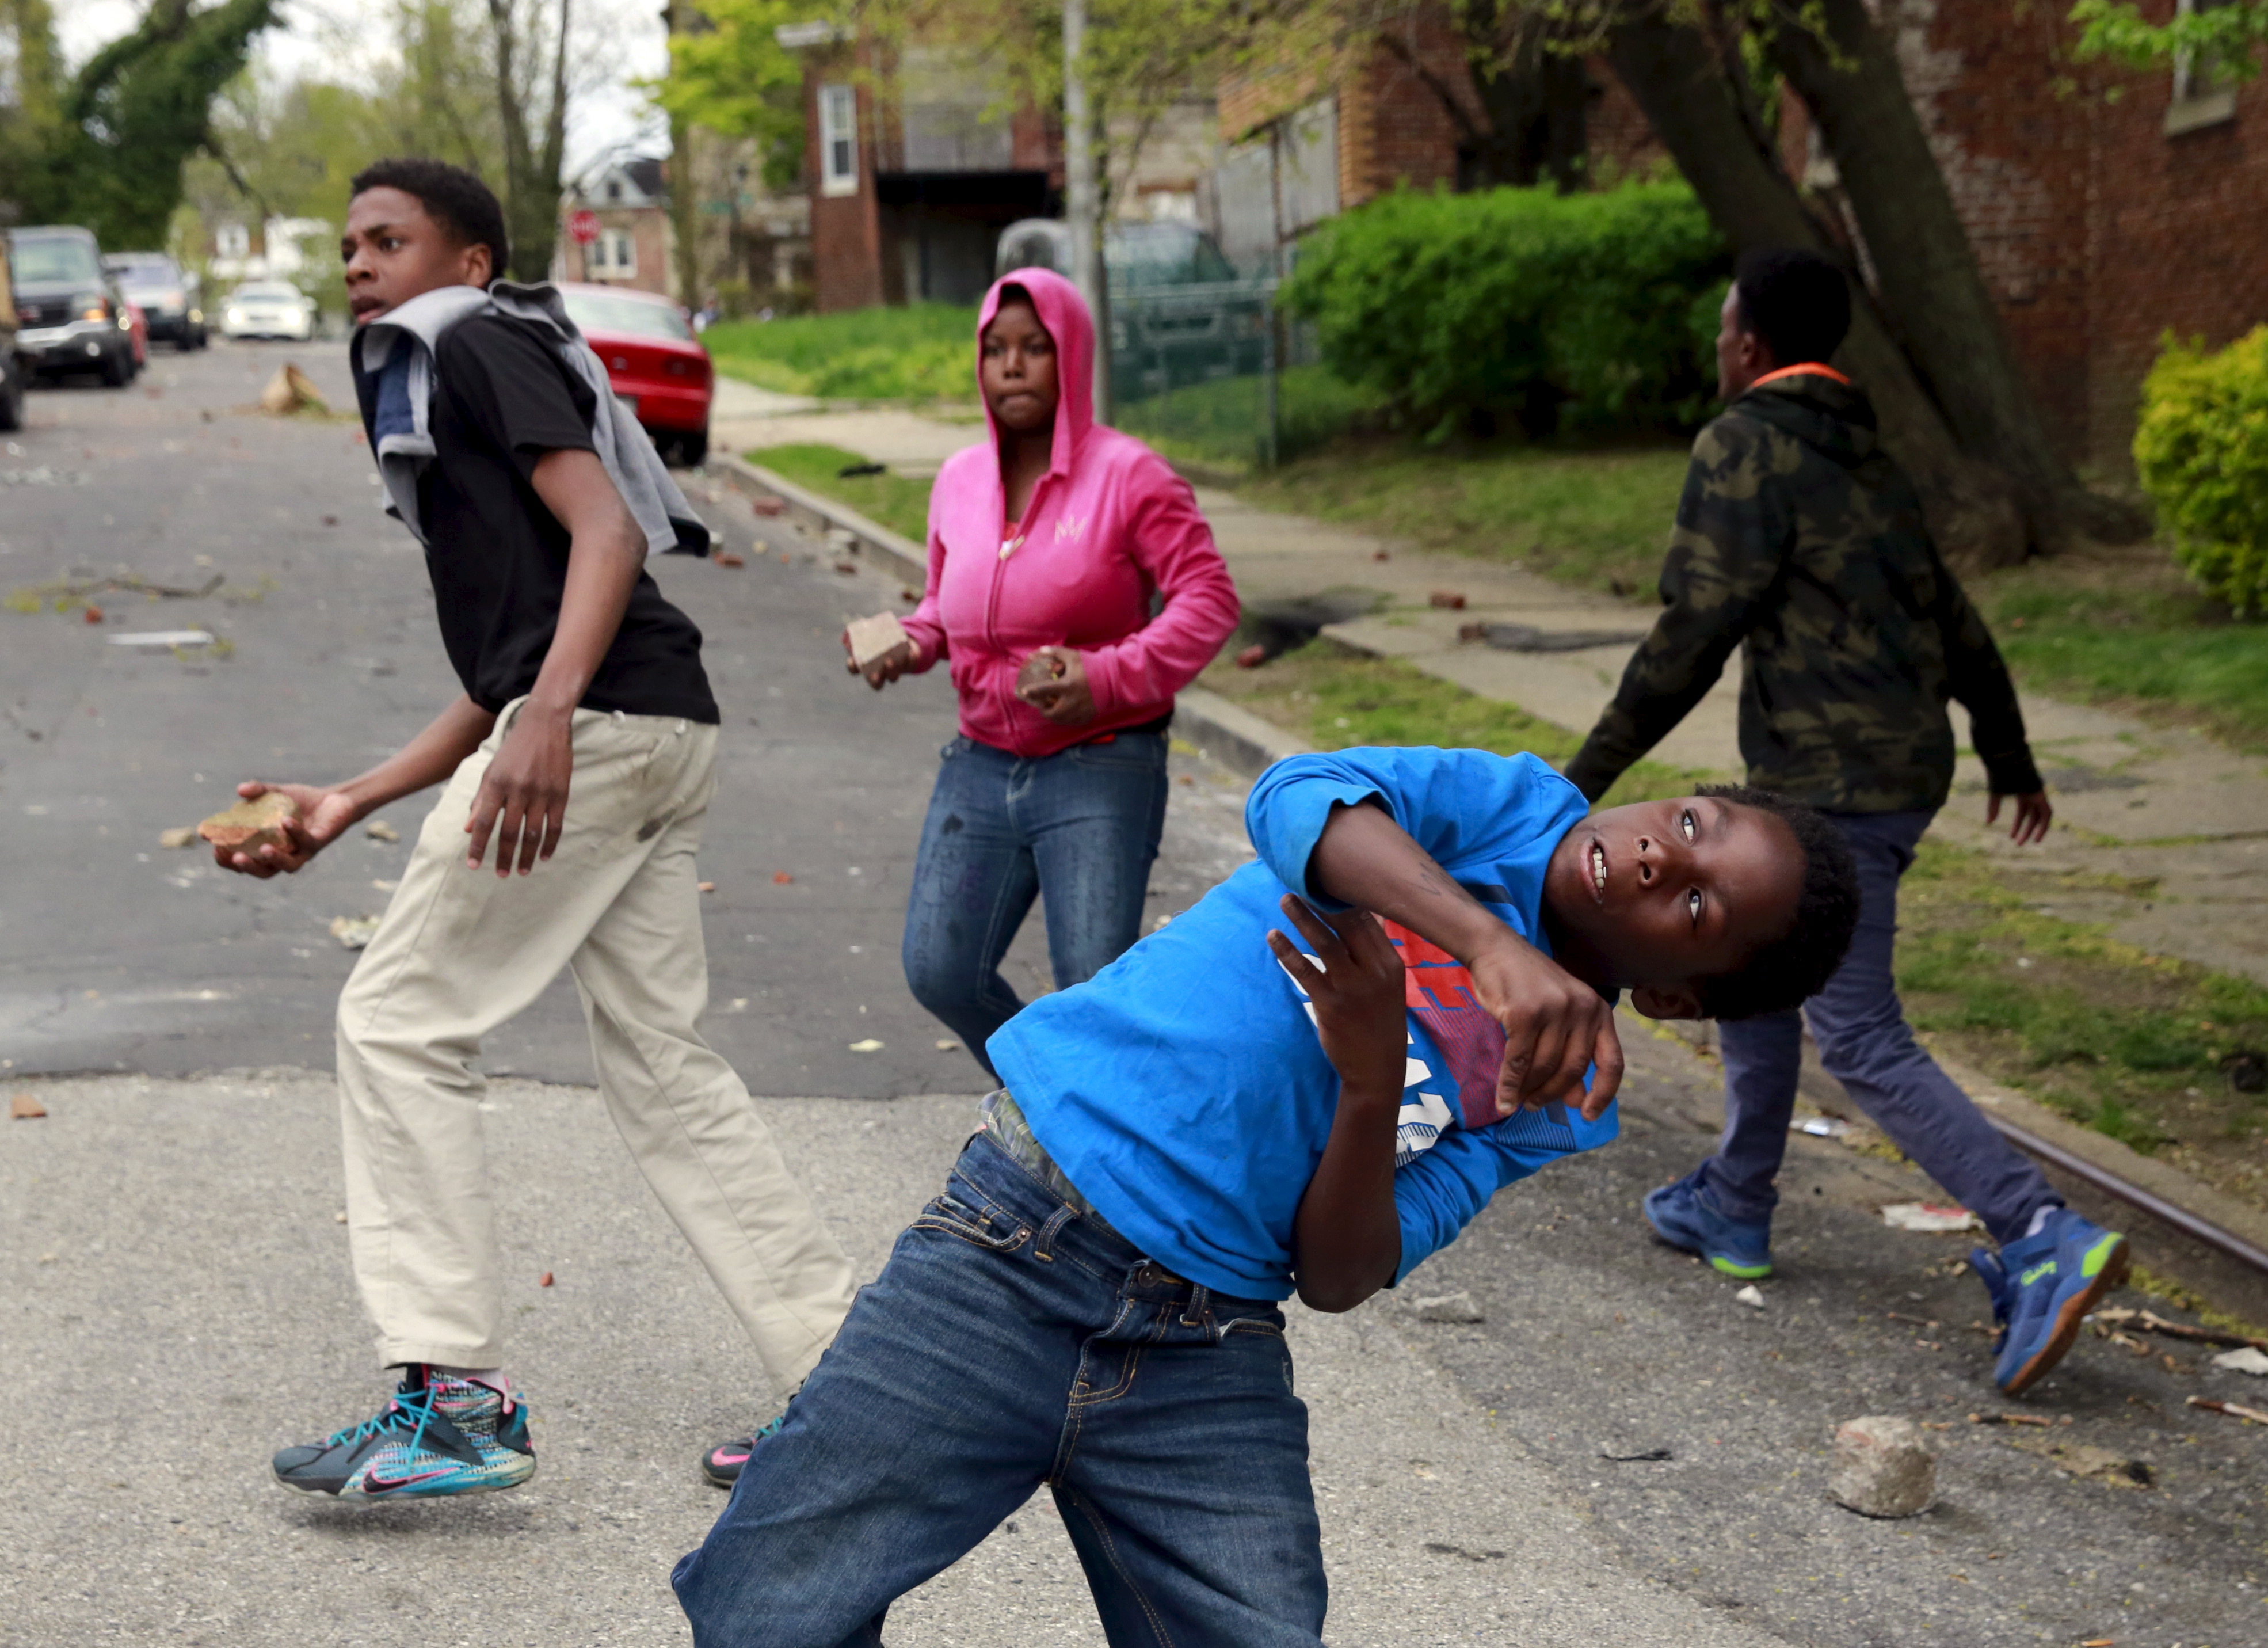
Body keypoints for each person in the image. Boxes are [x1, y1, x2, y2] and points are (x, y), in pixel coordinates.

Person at [672, 745, 1861, 1646]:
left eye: (1698, 906)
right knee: (765, 1603)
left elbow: (1343, 1275)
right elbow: (1299, 798)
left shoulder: (1564, 1095)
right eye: (1692, 821)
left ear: (1681, 1001)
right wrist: (1488, 946)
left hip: (1202, 1341)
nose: (1667, 854)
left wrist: (1371, 1079)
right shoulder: (1509, 808)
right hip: (1014, 1239)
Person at [214, 158, 858, 1499]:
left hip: (606, 726)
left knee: (398, 1019)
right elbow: (509, 659)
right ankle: (861, 1387)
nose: (357, 265)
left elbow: (608, 534)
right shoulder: (481, 360)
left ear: (466, 262)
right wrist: (353, 798)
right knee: (665, 1075)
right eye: (346, 246)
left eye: (389, 241)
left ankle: (453, 1397)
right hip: (662, 726)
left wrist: (553, 716)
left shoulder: (474, 340)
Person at [1563, 246, 2130, 1398]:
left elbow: (1696, 622)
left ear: (1750, 345)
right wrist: (2008, 752)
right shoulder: (1870, 456)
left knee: (1858, 1029)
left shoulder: (1745, 442)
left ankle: (2040, 1229)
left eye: (1726, 328)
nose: (1721, 345)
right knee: (1754, 967)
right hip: (1894, 765)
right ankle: (1734, 1198)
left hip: (1827, 781)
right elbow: (1957, 621)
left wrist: (1589, 773)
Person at [844, 269, 1239, 1075]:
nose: (1012, 366)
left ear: (1073, 360)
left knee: (1093, 989)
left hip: (1100, 764)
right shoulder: (957, 482)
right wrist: (906, 642)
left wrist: (1106, 676)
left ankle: (1103, 1159)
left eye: (1035, 348)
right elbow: (944, 610)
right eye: (995, 350)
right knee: (940, 971)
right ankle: (1060, 1100)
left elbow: (1209, 600)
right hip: (981, 764)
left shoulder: (1132, 476)